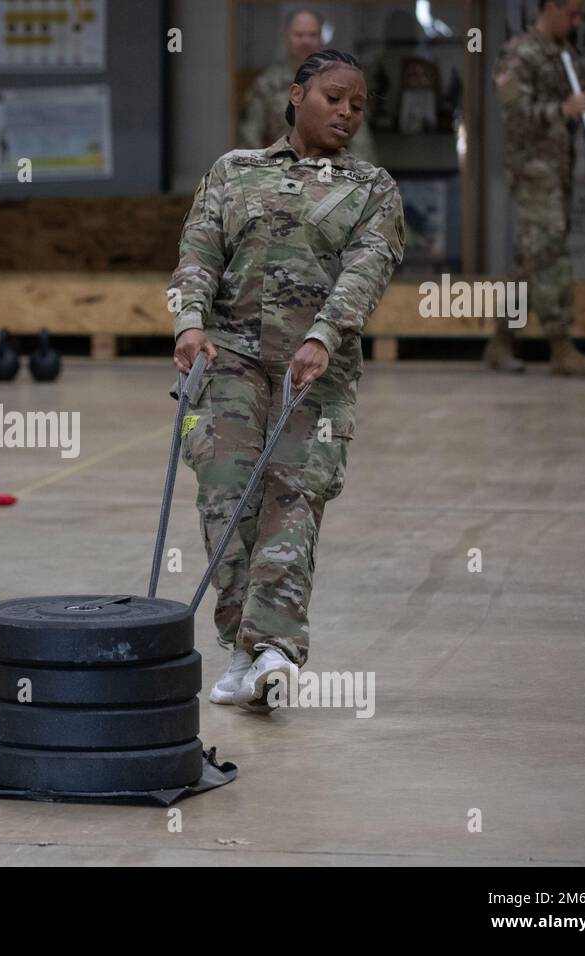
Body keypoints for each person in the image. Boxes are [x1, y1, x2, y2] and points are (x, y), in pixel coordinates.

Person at [168, 49, 404, 710]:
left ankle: (273, 648)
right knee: (225, 499)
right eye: (334, 97)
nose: (347, 113)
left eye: (357, 104)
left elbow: (367, 269)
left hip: (314, 370)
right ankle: (245, 649)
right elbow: (198, 251)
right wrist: (188, 323)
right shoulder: (232, 172)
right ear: (297, 96)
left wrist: (324, 335)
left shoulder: (371, 188)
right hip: (232, 360)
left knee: (292, 498)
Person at [483, 0, 585, 375]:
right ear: (550, 7)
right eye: (571, 13)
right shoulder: (519, 54)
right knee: (550, 251)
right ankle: (561, 347)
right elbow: (514, 114)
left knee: (529, 258)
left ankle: (501, 342)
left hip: (558, 170)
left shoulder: (564, 53)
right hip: (534, 172)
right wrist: (562, 111)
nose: (577, 21)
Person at [239, 10, 379, 166]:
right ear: (287, 37)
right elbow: (250, 137)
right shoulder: (267, 84)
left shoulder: (341, 83)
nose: (306, 41)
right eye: (299, 35)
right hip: (278, 172)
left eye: (312, 35)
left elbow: (360, 142)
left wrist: (358, 177)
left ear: (321, 39)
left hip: (330, 173)